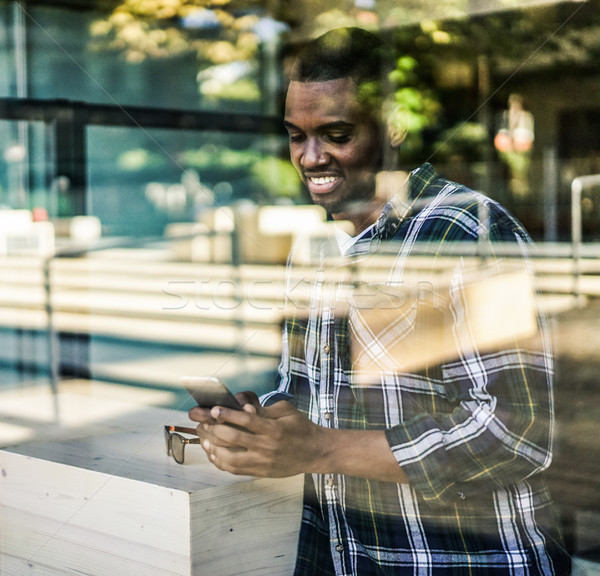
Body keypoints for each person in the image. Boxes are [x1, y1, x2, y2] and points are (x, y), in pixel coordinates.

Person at [189, 27, 570, 575]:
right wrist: (261, 423)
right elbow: (313, 398)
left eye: (335, 133)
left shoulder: (468, 234)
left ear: (393, 127)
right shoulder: (314, 249)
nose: (310, 157)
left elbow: (517, 434)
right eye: (296, 135)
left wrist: (319, 448)